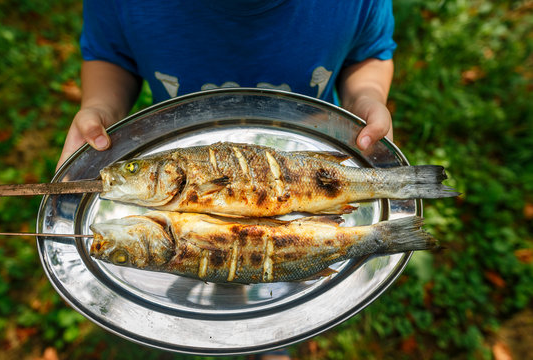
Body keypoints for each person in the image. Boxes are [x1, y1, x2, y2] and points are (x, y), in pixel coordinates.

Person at [58, 1, 396, 359]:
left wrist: (366, 97)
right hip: (189, 146)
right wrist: (100, 107)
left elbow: (369, 53)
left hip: (305, 150)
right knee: (230, 265)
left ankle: (273, 338)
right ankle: (242, 329)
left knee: (275, 289)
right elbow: (111, 57)